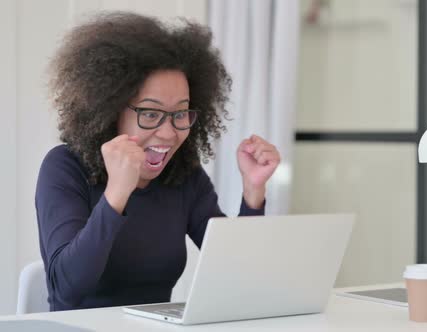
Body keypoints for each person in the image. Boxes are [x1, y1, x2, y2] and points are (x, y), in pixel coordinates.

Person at [35, 12, 281, 311]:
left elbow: (240, 274)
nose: (168, 133)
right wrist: (117, 194)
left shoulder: (184, 176)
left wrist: (253, 192)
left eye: (180, 114)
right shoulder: (65, 168)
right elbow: (67, 288)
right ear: (111, 113)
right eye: (150, 114)